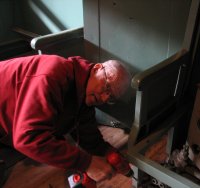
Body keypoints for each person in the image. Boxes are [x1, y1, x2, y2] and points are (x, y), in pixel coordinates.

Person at [0, 54, 131, 184]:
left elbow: (88, 135)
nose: (103, 98)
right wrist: (86, 163)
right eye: (106, 87)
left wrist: (108, 152)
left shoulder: (84, 94)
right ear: (97, 68)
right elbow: (28, 138)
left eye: (110, 97)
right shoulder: (53, 75)